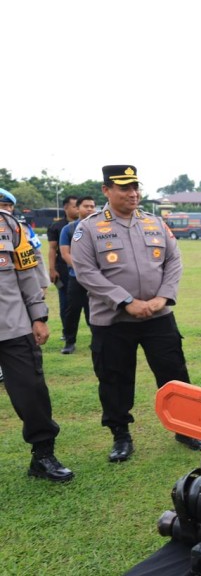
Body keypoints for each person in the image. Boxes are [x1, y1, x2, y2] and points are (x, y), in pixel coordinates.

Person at [71, 165, 201, 462]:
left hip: (158, 317)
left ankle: (184, 428)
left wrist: (162, 298)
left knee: (175, 374)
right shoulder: (90, 228)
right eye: (124, 188)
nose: (132, 194)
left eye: (136, 187)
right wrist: (124, 301)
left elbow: (174, 261)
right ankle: (120, 435)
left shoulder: (154, 223)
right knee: (115, 378)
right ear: (106, 191)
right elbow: (85, 272)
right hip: (113, 320)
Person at [0, 188, 74, 482]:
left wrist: (39, 317)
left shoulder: (9, 227)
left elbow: (28, 275)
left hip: (13, 325)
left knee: (31, 391)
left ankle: (43, 455)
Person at [58, 196, 97, 354]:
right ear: (78, 208)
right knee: (72, 310)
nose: (89, 209)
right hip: (76, 277)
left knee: (94, 311)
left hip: (96, 279)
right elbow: (65, 253)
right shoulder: (69, 229)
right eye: (86, 206)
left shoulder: (101, 227)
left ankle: (97, 341)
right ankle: (69, 342)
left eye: (92, 206)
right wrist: (82, 269)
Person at [47, 195, 79, 339]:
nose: (77, 209)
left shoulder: (87, 225)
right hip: (63, 269)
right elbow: (52, 249)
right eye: (74, 206)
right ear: (66, 207)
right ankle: (67, 333)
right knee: (65, 303)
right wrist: (52, 269)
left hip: (85, 270)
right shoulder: (57, 226)